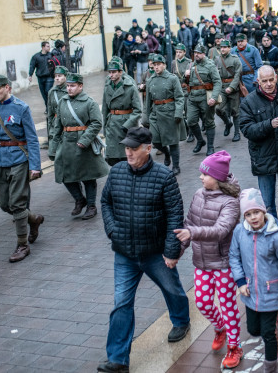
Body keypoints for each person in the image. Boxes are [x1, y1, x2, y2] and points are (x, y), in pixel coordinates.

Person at [98, 127, 190, 373]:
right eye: (126, 148)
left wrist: (172, 251)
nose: (128, 152)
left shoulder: (164, 177)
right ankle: (118, 360)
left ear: (148, 149)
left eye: (133, 148)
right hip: (124, 253)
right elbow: (105, 201)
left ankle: (181, 320)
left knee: (172, 289)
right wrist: (111, 229)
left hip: (155, 251)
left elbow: (175, 215)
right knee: (121, 304)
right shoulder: (116, 172)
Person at [173, 151, 243, 369]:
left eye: (205, 174)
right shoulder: (198, 194)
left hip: (223, 264)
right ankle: (219, 327)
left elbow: (221, 230)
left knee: (228, 304)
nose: (201, 178)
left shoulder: (230, 202)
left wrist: (192, 234)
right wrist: (179, 251)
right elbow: (188, 223)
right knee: (202, 302)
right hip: (201, 263)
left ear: (218, 177)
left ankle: (234, 346)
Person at [229, 188, 278, 373]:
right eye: (248, 214)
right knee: (254, 330)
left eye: (256, 212)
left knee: (268, 334)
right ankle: (272, 326)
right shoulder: (240, 232)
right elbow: (234, 256)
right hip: (249, 291)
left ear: (264, 211)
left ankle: (270, 368)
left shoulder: (276, 237)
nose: (253, 217)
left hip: (271, 292)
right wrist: (240, 281)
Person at [239, 65, 278, 253]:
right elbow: (247, 130)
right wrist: (269, 124)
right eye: (264, 81)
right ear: (257, 81)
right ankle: (274, 238)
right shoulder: (249, 102)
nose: (268, 84)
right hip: (263, 158)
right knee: (267, 205)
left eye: (271, 80)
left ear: (276, 78)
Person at [0, 74, 44, 263]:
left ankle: (22, 245)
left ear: (7, 88)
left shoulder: (21, 108)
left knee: (18, 203)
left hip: (19, 160)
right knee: (5, 204)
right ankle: (33, 219)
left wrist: (35, 166)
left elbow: (32, 138)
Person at [51, 72, 110, 219]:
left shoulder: (89, 102)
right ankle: (79, 199)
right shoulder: (63, 102)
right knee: (64, 174)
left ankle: (91, 206)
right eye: (68, 86)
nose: (69, 89)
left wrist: (85, 140)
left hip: (83, 143)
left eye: (73, 86)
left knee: (88, 176)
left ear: (80, 86)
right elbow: (57, 126)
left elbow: (97, 123)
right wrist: (53, 147)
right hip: (66, 142)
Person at [142, 54, 185, 176]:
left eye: (158, 65)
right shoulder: (150, 81)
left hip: (170, 112)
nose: (156, 67)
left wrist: (178, 113)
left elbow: (179, 97)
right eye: (154, 65)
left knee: (173, 141)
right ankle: (166, 153)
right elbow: (148, 101)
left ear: (164, 65)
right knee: (154, 140)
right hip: (156, 113)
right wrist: (146, 117)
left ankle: (176, 166)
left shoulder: (172, 78)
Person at [102, 57, 142, 167]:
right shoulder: (107, 86)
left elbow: (138, 110)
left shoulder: (130, 86)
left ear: (120, 72)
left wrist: (127, 125)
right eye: (110, 72)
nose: (111, 75)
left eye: (114, 72)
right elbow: (105, 108)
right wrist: (105, 126)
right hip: (112, 124)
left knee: (127, 156)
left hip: (125, 125)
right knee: (112, 158)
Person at [185, 44, 222, 156]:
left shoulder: (210, 65)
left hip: (205, 97)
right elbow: (186, 82)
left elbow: (217, 82)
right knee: (190, 121)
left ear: (203, 54)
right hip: (192, 97)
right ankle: (200, 141)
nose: (196, 55)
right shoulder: (191, 64)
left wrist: (214, 98)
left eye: (199, 53)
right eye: (195, 53)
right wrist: (185, 76)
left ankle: (210, 147)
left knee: (209, 122)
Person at [213, 39, 243, 142]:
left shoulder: (235, 59)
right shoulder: (217, 59)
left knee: (235, 112)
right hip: (221, 87)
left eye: (225, 47)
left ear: (229, 48)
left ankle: (236, 133)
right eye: (221, 47)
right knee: (218, 109)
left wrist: (232, 87)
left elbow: (238, 75)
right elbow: (214, 74)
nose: (222, 49)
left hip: (233, 88)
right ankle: (227, 123)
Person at [46, 66, 68, 160]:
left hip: (67, 124)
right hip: (55, 125)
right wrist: (50, 128)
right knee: (55, 155)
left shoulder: (70, 90)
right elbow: (50, 113)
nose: (57, 78)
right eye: (55, 76)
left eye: (60, 75)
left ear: (66, 76)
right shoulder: (52, 92)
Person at [28, 41, 53, 107]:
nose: (49, 47)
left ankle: (49, 108)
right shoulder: (36, 56)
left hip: (49, 76)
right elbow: (32, 66)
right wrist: (30, 75)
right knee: (44, 93)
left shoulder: (51, 55)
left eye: (49, 46)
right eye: (47, 46)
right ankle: (47, 107)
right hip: (40, 77)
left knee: (48, 92)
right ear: (43, 47)